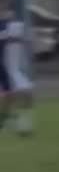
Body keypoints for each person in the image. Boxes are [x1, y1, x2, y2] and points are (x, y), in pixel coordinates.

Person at [0, 8, 33, 136]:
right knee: (13, 95)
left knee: (16, 95)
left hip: (11, 68)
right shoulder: (7, 27)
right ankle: (17, 124)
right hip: (6, 68)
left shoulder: (14, 26)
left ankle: (18, 124)